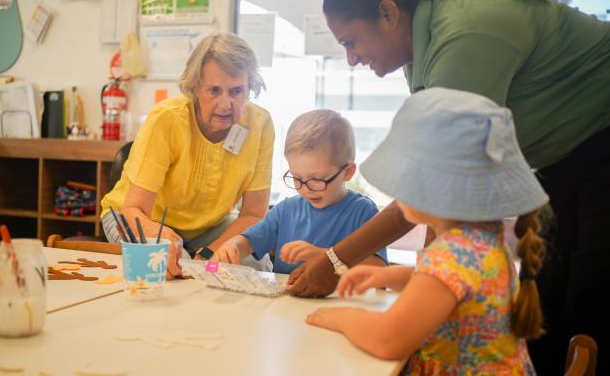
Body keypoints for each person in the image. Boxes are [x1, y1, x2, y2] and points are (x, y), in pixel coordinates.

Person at [289, 0, 610, 373]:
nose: (351, 58)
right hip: (567, 159)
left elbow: (389, 337)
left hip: (598, 150)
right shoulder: (481, 246)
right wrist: (403, 275)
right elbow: (451, 276)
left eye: (351, 41)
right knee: (555, 313)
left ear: (389, 14)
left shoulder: (466, 38)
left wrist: (336, 295)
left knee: (588, 300)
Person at [306, 88, 549, 374]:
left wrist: (341, 318)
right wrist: (388, 276)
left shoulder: (453, 254)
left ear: (437, 186)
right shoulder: (482, 239)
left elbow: (388, 339)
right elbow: (452, 288)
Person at [101, 33, 274, 274]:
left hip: (208, 228)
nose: (225, 104)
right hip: (138, 219)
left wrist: (208, 254)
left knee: (253, 262)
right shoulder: (167, 119)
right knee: (171, 264)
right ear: (195, 87)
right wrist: (169, 241)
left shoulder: (260, 124)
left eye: (236, 91)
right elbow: (133, 210)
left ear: (250, 88)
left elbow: (254, 214)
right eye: (214, 90)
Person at [212, 110, 388, 272]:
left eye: (317, 180)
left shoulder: (363, 212)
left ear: (348, 172)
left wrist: (323, 256)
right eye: (297, 178)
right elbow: (249, 241)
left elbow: (378, 267)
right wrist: (233, 246)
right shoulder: (286, 210)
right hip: (286, 303)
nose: (305, 189)